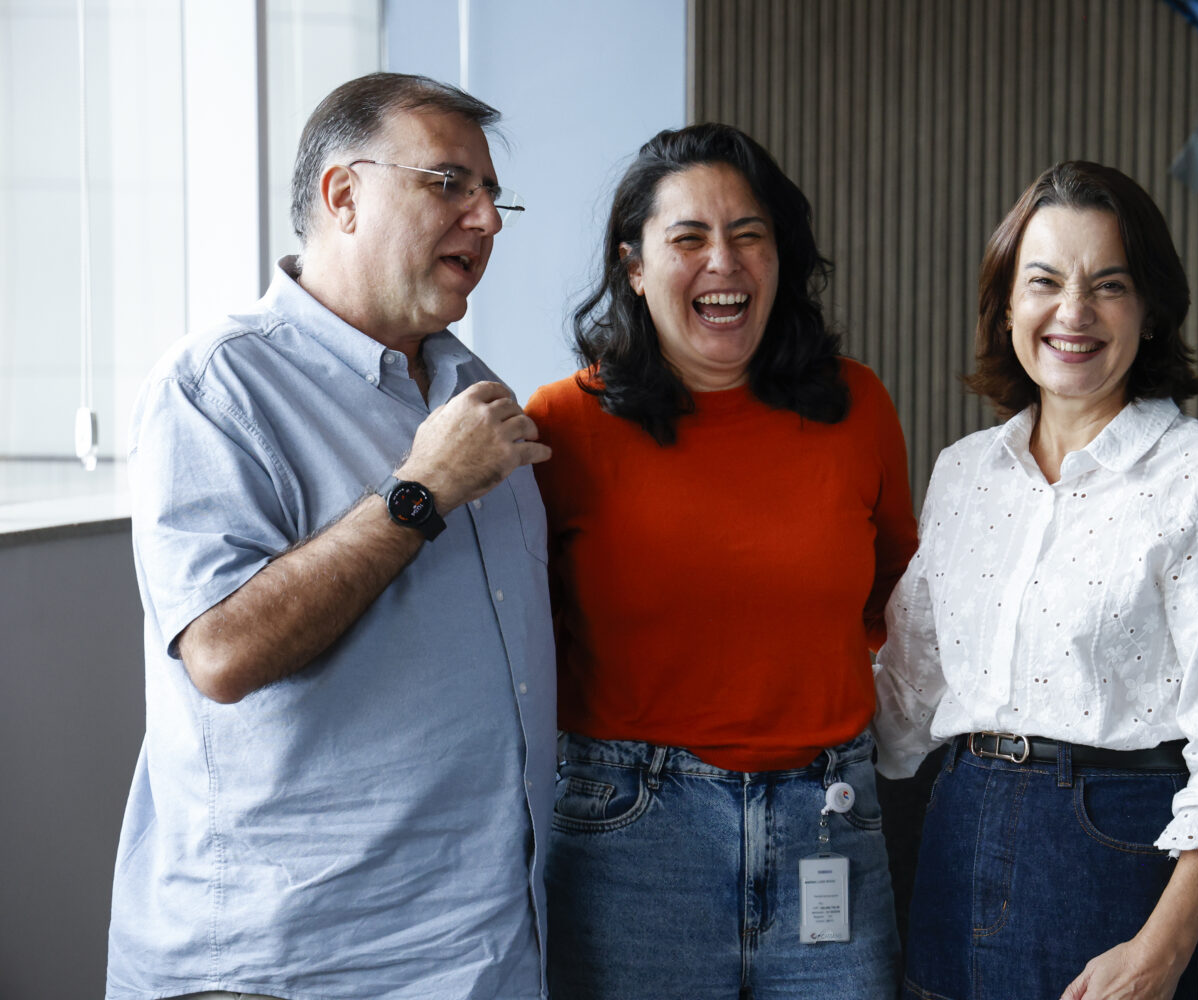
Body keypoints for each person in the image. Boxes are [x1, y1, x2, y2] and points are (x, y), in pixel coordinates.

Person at [106, 73, 556, 1000]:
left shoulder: (476, 390)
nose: (488, 220)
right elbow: (222, 653)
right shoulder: (215, 387)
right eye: (449, 184)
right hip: (290, 965)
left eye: (492, 196)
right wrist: (422, 488)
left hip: (483, 952)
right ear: (343, 195)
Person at [874, 161, 1198, 1000]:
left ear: (1149, 312)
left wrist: (1162, 949)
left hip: (1116, 861)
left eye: (1108, 285)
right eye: (1044, 282)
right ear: (1007, 306)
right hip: (956, 839)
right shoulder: (964, 473)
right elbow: (903, 702)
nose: (1072, 313)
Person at [525, 123, 918, 1000]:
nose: (724, 263)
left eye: (749, 235)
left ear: (782, 258)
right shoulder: (561, 425)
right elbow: (525, 630)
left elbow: (897, 592)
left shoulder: (858, 405)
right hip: (628, 829)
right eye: (689, 238)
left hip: (828, 818)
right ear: (633, 266)